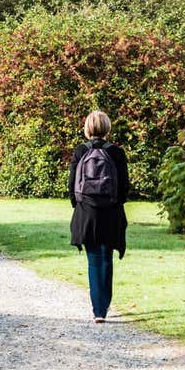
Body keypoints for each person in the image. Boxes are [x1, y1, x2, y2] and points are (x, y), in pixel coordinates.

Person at [68, 110, 130, 324]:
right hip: (110, 212)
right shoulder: (116, 152)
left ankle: (98, 311)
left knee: (93, 260)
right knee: (106, 259)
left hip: (87, 212)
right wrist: (116, 204)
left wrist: (79, 205)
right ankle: (104, 305)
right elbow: (124, 187)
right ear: (107, 128)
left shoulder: (80, 151)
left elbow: (71, 185)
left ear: (87, 128)